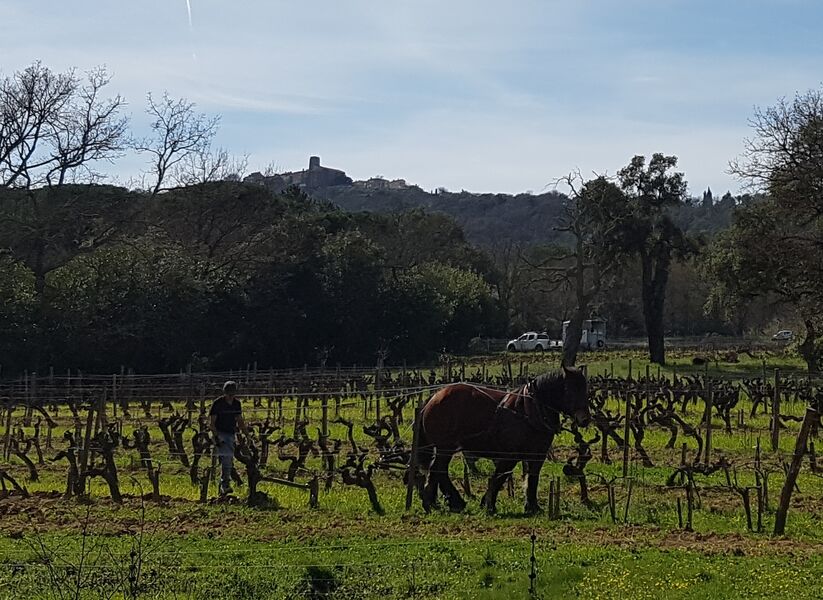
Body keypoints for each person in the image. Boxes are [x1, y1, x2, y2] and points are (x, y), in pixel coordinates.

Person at [209, 380, 248, 496]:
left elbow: (239, 420)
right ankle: (225, 484)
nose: (230, 396)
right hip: (219, 433)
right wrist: (216, 437)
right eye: (228, 393)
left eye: (232, 393)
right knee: (226, 458)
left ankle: (223, 486)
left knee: (229, 460)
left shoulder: (236, 404)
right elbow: (212, 423)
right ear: (224, 392)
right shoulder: (217, 403)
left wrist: (247, 434)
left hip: (230, 434)